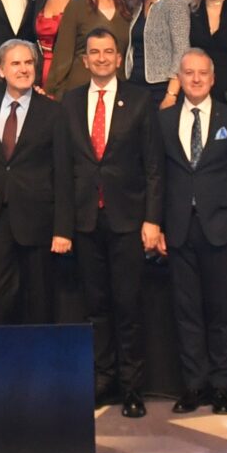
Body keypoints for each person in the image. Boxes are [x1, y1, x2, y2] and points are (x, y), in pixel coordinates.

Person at [147, 49, 227, 416]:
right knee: (186, 312)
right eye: (188, 73)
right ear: (179, 77)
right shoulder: (163, 120)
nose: (195, 79)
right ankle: (194, 385)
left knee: (221, 311)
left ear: (212, 78)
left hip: (221, 230)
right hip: (179, 231)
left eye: (202, 73)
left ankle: (222, 387)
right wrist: (158, 223)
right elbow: (155, 175)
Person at [51, 27, 152, 411]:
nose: (102, 58)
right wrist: (63, 227)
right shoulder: (70, 102)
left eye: (108, 51)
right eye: (94, 52)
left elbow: (153, 167)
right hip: (85, 221)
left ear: (118, 56)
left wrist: (152, 220)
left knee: (128, 307)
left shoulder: (139, 100)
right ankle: (103, 379)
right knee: (95, 308)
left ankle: (131, 388)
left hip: (128, 219)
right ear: (85, 59)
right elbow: (63, 170)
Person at [0, 38, 61, 323]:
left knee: (39, 301)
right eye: (15, 63)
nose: (24, 69)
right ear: (1, 70)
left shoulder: (53, 112)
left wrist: (62, 228)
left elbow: (62, 172)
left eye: (28, 63)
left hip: (38, 219)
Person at [48, 0, 129, 93]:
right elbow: (62, 57)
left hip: (119, 91)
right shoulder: (76, 7)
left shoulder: (128, 10)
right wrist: (54, 94)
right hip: (80, 92)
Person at [123, 0, 193, 110]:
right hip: (134, 88)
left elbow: (182, 51)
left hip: (162, 90)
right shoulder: (137, 5)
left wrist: (171, 95)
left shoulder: (174, 3)